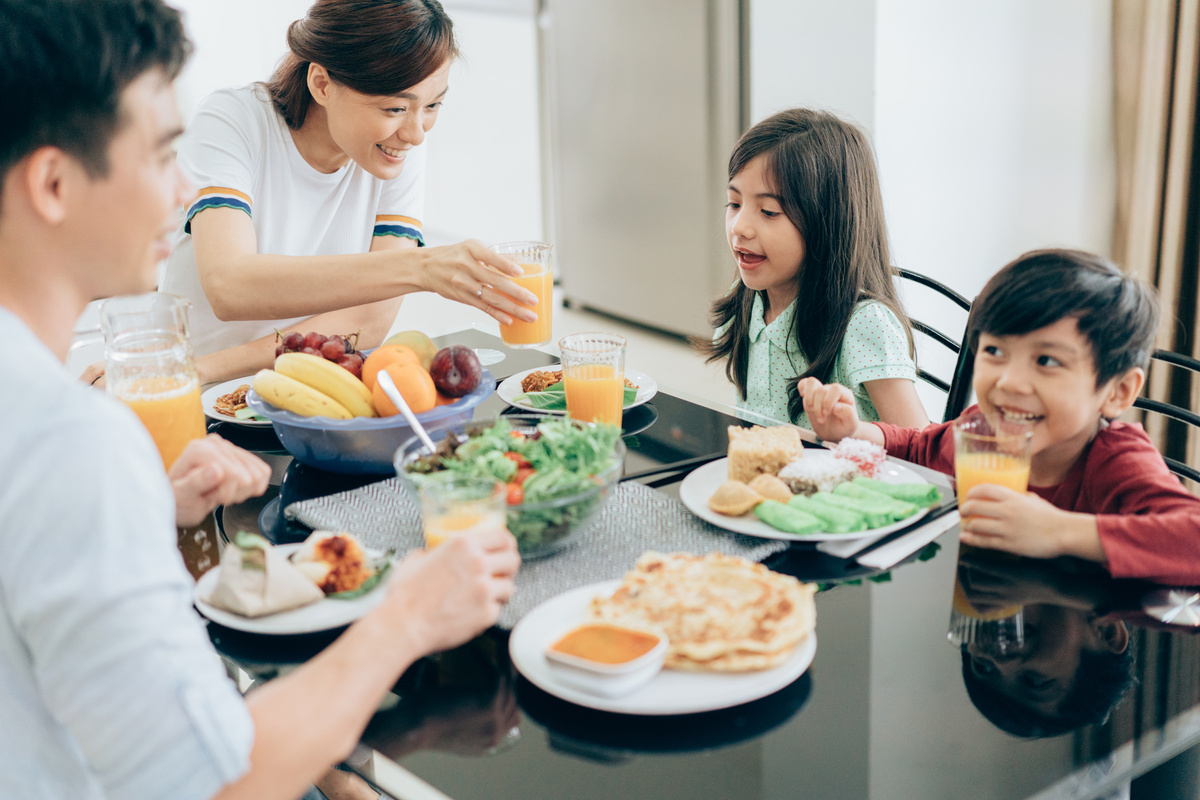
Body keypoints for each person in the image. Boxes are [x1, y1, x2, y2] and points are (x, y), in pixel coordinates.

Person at [0, 2, 519, 799]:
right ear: (55, 181)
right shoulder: (75, 443)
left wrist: (137, 509)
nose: (183, 194)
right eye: (162, 154)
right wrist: (405, 623)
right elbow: (216, 782)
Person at [146, 0, 539, 386]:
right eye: (394, 108)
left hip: (297, 388)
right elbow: (229, 285)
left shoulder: (395, 150)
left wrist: (215, 367)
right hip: (181, 391)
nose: (417, 133)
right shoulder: (234, 120)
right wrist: (420, 268)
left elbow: (369, 321)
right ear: (321, 83)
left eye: (433, 105)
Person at [799, 248, 1200, 584]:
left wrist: (1057, 531)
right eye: (994, 351)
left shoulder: (1115, 460)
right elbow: (920, 448)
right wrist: (854, 430)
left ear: (1117, 392)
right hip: (987, 604)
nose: (1009, 382)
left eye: (1046, 360)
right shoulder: (983, 432)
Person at [698, 108, 929, 430]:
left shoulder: (863, 325)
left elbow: (921, 450)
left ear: (828, 222)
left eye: (768, 211)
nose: (740, 227)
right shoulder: (748, 299)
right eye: (734, 204)